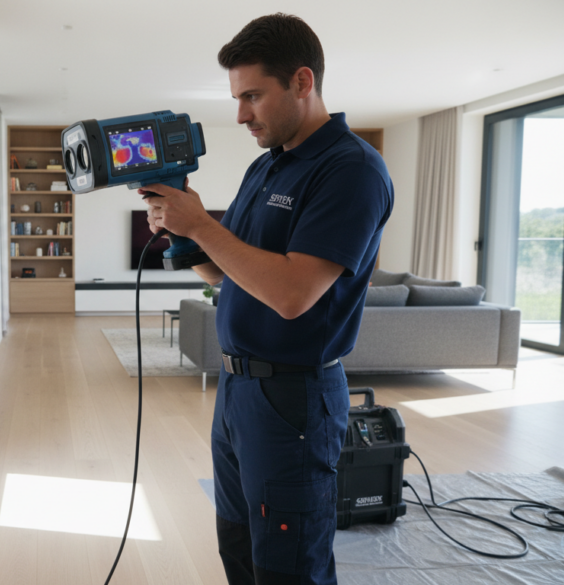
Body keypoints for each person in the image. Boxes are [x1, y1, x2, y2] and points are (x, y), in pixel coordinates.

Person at [143, 13, 394, 585]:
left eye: (252, 96)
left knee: (289, 566)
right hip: (237, 391)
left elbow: (291, 294)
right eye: (237, 98)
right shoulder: (266, 166)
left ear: (302, 82)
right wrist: (183, 233)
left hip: (294, 398)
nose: (241, 115)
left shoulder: (351, 169)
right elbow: (229, 273)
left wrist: (201, 224)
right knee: (239, 546)